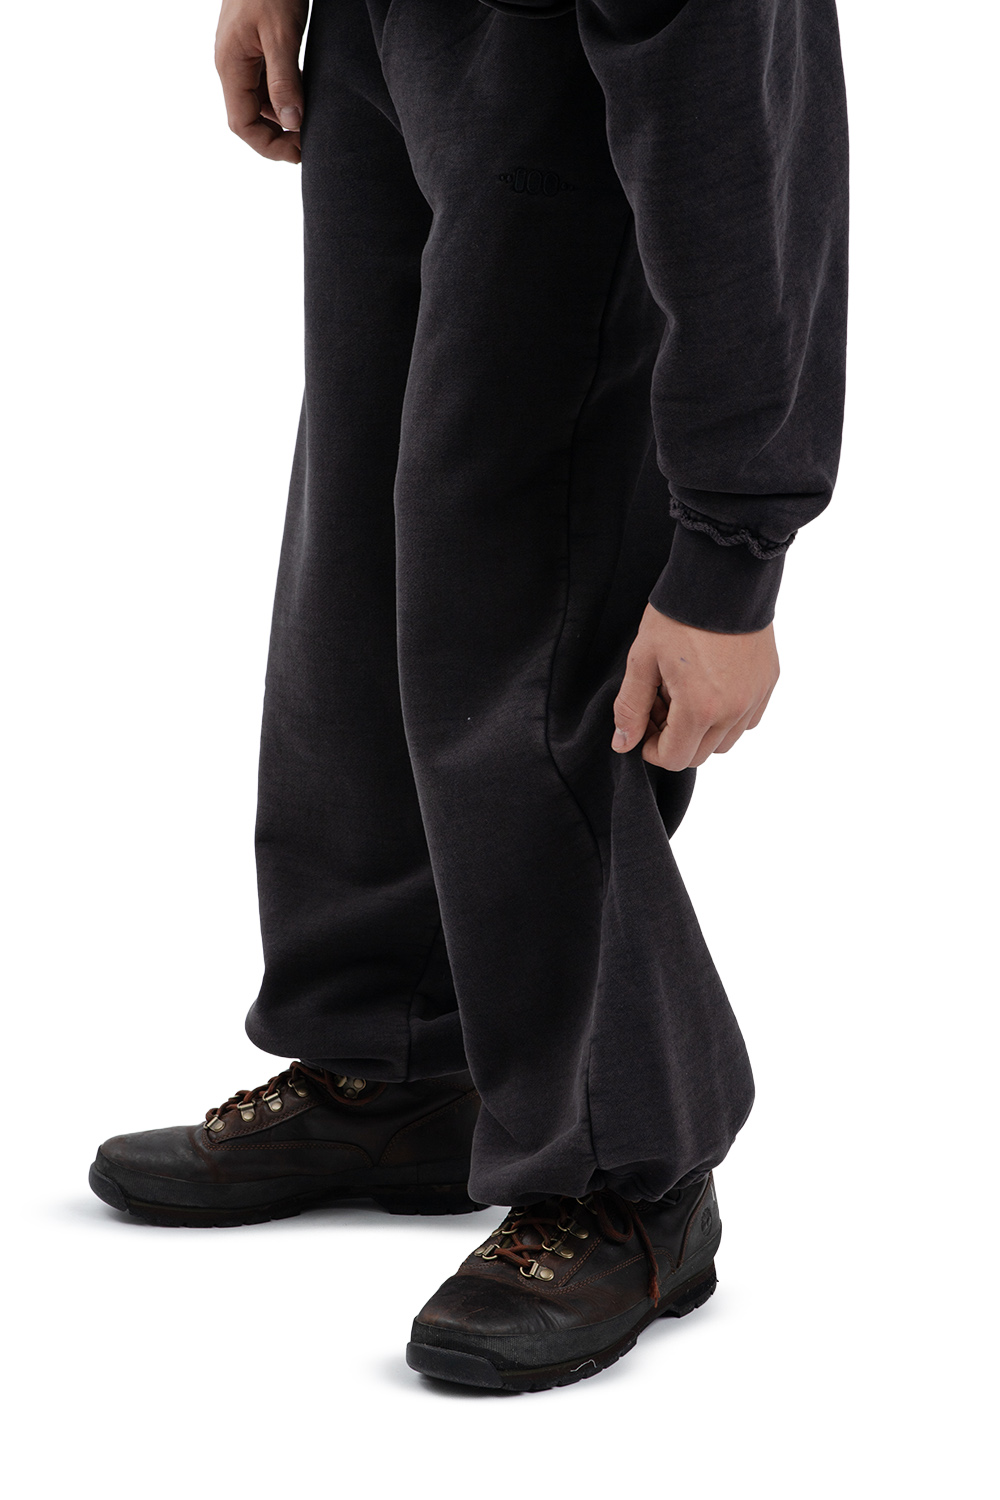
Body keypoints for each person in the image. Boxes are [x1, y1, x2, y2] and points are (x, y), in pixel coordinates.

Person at [89, 0, 848, 1392]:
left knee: (525, 612)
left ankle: (633, 1171)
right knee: (363, 571)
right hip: (391, 35)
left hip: (571, 57)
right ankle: (403, 1061)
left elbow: (744, 140)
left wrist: (733, 553)